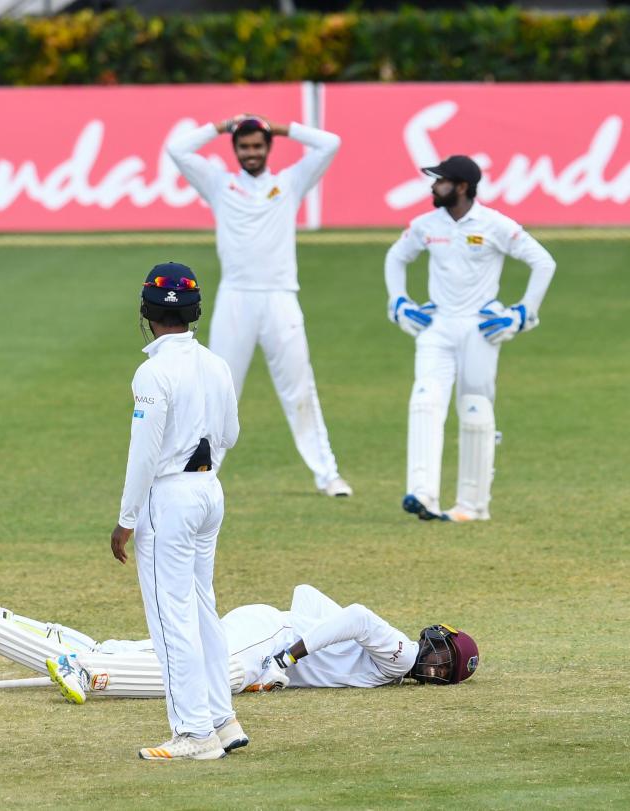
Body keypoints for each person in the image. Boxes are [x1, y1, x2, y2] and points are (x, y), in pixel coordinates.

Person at [166, 114, 352, 498]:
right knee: (220, 387)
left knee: (300, 389)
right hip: (236, 297)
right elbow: (177, 148)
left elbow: (330, 142)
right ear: (234, 150)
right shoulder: (219, 184)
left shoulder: (290, 182)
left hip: (281, 297)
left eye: (257, 146)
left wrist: (282, 128)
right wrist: (220, 126)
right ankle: (203, 469)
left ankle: (327, 474)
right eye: (244, 146)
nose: (251, 153)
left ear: (268, 148)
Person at [0, 583, 480, 705]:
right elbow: (359, 616)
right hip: (269, 635)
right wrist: (286, 656)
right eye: (439, 656)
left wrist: (289, 663)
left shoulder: (397, 667)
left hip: (267, 625)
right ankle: (92, 675)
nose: (430, 660)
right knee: (223, 678)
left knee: (132, 647)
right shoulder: (400, 657)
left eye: (441, 661)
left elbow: (308, 594)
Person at [110, 261, 240, 761]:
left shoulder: (152, 371)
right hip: (209, 492)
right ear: (194, 312)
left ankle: (194, 733)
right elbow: (228, 434)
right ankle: (222, 719)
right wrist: (204, 471)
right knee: (202, 606)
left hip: (169, 498)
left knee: (172, 615)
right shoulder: (216, 364)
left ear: (146, 313)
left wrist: (126, 519)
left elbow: (144, 454)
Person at [384, 155, 556, 522]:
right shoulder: (426, 224)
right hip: (437, 325)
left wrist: (523, 312)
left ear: (461, 187)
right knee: (425, 400)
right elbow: (396, 258)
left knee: (476, 409)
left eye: (440, 181)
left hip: (480, 327)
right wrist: (398, 301)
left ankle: (472, 506)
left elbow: (544, 262)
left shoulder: (494, 224)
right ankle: (423, 493)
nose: (433, 187)